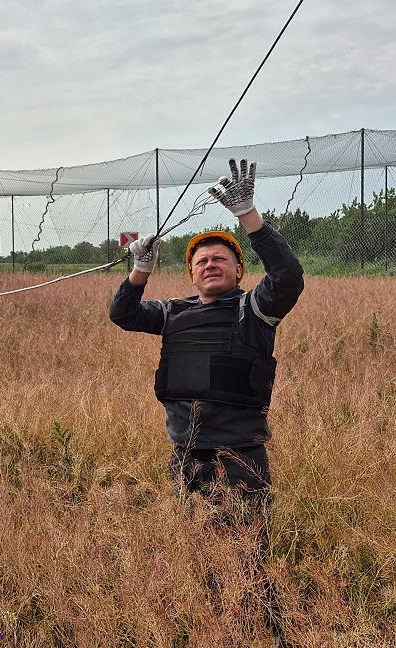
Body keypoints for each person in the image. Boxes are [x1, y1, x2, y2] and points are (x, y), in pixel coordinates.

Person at [109, 159, 304, 516]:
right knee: (194, 552)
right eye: (201, 261)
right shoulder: (174, 312)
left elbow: (288, 275)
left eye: (220, 259)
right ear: (192, 274)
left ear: (239, 270)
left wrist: (248, 216)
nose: (210, 264)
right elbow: (124, 314)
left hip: (240, 455)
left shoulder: (254, 309)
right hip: (185, 452)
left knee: (245, 558)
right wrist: (140, 270)